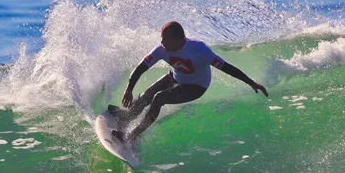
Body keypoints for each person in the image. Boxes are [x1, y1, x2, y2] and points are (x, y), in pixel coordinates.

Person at [110, 21, 268, 142]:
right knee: (147, 95)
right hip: (175, 76)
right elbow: (141, 67)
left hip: (196, 87)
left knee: (159, 98)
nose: (162, 42)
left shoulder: (199, 50)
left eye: (165, 39)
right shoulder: (162, 49)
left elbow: (226, 67)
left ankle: (132, 135)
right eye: (161, 38)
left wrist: (251, 82)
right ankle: (127, 116)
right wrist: (129, 89)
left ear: (179, 40)